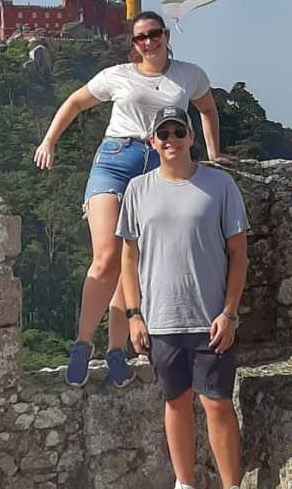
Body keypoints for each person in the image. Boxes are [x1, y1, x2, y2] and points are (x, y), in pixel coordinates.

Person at [34, 11, 233, 389]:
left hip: (158, 167)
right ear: (134, 44)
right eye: (140, 37)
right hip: (114, 160)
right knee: (107, 256)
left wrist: (212, 153)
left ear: (166, 36)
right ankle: (82, 345)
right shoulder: (118, 75)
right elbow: (75, 103)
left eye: (154, 34)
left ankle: (115, 350)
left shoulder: (189, 75)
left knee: (133, 259)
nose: (148, 42)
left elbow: (207, 109)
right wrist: (48, 141)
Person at [119, 106, 248, 489]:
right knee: (175, 401)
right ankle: (184, 483)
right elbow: (129, 255)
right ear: (152, 142)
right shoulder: (137, 189)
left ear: (192, 137)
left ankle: (231, 486)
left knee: (218, 403)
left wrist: (230, 313)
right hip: (161, 319)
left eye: (179, 132)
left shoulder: (220, 185)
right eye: (164, 134)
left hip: (211, 318)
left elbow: (239, 253)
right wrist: (133, 314)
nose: (171, 139)